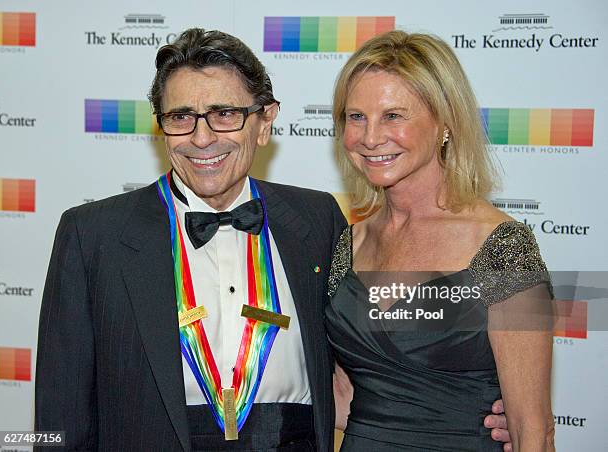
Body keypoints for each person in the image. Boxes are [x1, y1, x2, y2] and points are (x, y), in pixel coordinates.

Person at [35, 28, 511, 451]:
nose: (202, 138)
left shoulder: (318, 220)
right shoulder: (92, 235)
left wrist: (469, 417)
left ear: (265, 122)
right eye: (181, 117)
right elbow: (59, 418)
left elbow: (374, 356)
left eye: (224, 114)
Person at [327, 30, 555, 451]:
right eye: (355, 116)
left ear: (445, 123)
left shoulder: (503, 247)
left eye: (394, 115)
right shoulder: (349, 242)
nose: (370, 137)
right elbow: (343, 397)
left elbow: (532, 431)